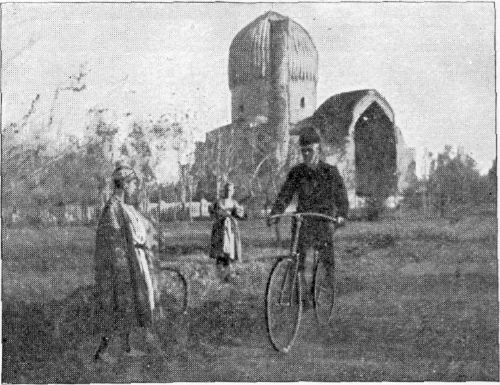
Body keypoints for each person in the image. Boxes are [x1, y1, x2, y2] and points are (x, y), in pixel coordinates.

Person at [268, 127, 349, 305]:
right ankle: (300, 296)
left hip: (324, 220)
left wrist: (342, 214)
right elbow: (285, 194)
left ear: (318, 149)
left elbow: (342, 197)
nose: (306, 154)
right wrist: (276, 213)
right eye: (303, 151)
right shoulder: (297, 173)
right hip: (303, 220)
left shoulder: (330, 172)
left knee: (325, 258)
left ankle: (326, 286)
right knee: (298, 258)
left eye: (310, 150)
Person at [93, 164, 158, 363]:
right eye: (133, 183)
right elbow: (111, 240)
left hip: (135, 261)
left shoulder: (128, 208)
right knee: (116, 304)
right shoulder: (112, 208)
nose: (135, 187)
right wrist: (121, 266)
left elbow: (144, 231)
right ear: (124, 184)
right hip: (119, 265)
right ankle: (103, 352)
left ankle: (127, 347)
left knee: (130, 305)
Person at [209, 182, 247, 282]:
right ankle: (219, 275)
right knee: (220, 251)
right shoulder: (218, 202)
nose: (228, 192)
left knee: (229, 251)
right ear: (223, 191)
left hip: (231, 230)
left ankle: (229, 275)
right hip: (220, 229)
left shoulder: (234, 203)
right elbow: (212, 212)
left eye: (230, 190)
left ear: (233, 191)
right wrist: (216, 212)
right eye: (226, 190)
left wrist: (239, 211)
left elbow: (240, 215)